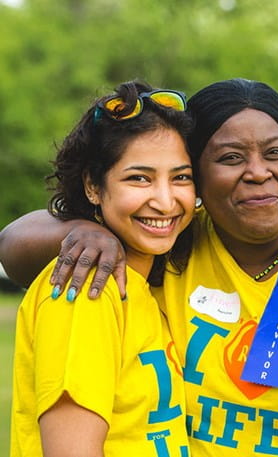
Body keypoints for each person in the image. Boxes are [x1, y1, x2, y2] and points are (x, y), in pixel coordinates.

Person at [1, 78, 278, 457]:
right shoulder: (161, 247)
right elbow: (13, 246)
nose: (258, 172)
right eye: (230, 157)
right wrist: (84, 230)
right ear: (201, 180)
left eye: (275, 153)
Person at [9, 80, 196, 457]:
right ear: (94, 187)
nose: (165, 200)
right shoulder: (87, 286)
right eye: (139, 178)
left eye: (181, 177)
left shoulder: (142, 283)